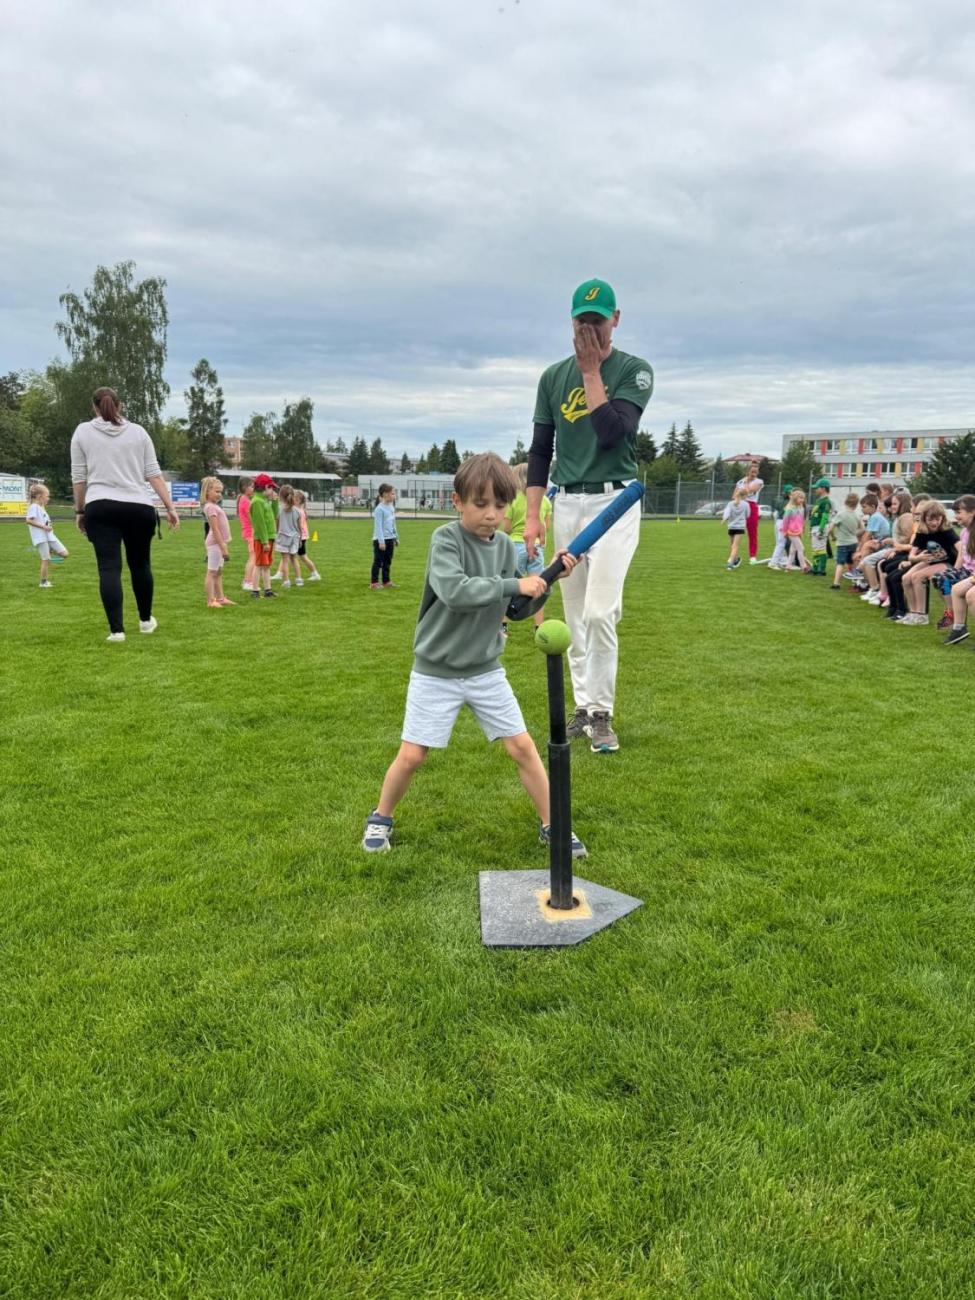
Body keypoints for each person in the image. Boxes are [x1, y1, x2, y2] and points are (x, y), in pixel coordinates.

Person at [361, 454, 584, 855]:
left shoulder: (502, 548)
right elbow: (456, 591)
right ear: (457, 501)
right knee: (412, 755)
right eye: (480, 504)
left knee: (522, 747)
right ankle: (380, 817)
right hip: (436, 671)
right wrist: (517, 584)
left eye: (500, 506)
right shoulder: (445, 540)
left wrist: (547, 581)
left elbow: (514, 609)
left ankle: (555, 824)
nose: (491, 515)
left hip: (484, 669)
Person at [522, 278, 654, 754]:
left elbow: (612, 435)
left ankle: (602, 713)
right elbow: (540, 450)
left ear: (616, 319)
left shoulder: (634, 370)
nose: (589, 328)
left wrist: (592, 372)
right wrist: (533, 515)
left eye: (598, 320)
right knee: (575, 613)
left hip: (613, 503)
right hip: (568, 502)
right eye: (582, 320)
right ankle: (582, 707)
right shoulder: (552, 377)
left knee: (601, 612)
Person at [70, 386, 179, 642]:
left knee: (109, 568)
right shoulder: (138, 432)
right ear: (119, 406)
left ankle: (117, 631)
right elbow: (153, 473)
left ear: (94, 408)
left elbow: (79, 478)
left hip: (100, 505)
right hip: (138, 506)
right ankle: (145, 621)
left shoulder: (82, 432)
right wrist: (170, 507)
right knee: (140, 565)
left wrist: (79, 510)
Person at [502, 462, 553, 627]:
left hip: (516, 547)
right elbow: (547, 526)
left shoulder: (513, 500)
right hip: (536, 548)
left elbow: (507, 528)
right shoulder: (544, 501)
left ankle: (503, 625)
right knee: (538, 587)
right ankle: (539, 627)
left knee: (510, 588)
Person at [899, 502, 958, 626]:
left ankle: (922, 615)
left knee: (918, 577)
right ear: (924, 518)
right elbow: (911, 556)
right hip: (930, 562)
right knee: (905, 578)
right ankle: (913, 612)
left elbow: (961, 549)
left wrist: (957, 569)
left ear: (943, 518)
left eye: (938, 519)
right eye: (930, 519)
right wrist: (919, 557)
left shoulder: (947, 531)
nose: (934, 523)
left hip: (947, 563)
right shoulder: (922, 533)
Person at [860, 490, 913, 605]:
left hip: (901, 551)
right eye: (891, 504)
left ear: (903, 504)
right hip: (895, 548)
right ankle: (881, 592)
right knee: (880, 563)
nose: (891, 507)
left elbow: (909, 540)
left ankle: (878, 591)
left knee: (873, 562)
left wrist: (893, 546)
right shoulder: (898, 517)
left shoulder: (906, 518)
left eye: (894, 504)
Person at [941, 496, 975, 643]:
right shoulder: (965, 532)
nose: (956, 516)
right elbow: (962, 555)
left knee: (971, 595)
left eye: (959, 512)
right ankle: (959, 629)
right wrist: (955, 571)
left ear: (972, 512)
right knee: (955, 589)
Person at [26, 482, 69, 587]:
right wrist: (44, 526)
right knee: (45, 560)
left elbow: (42, 520)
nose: (48, 498)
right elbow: (28, 520)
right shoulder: (34, 507)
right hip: (41, 538)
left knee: (65, 554)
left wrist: (48, 524)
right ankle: (43, 582)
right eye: (47, 496)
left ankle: (49, 551)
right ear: (40, 496)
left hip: (49, 536)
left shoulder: (41, 507)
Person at [201, 476, 234, 607]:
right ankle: (210, 600)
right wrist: (223, 547)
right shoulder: (210, 508)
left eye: (220, 492)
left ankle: (220, 598)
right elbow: (215, 529)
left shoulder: (214, 506)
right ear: (207, 492)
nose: (219, 494)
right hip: (215, 544)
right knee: (212, 571)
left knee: (218, 572)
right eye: (216, 491)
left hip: (219, 543)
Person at [249, 473, 278, 598]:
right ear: (265, 487)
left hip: (269, 537)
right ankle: (255, 590)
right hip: (262, 539)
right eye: (271, 488)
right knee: (259, 565)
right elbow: (259, 524)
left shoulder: (265, 501)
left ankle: (268, 590)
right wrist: (265, 541)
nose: (272, 491)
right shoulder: (257, 502)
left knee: (266, 565)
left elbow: (275, 515)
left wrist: (275, 502)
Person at [828, 493, 861, 588]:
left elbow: (830, 528)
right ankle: (855, 582)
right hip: (853, 542)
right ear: (856, 504)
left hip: (842, 543)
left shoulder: (841, 514)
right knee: (851, 563)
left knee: (840, 563)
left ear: (845, 501)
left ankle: (836, 583)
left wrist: (833, 536)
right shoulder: (857, 515)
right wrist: (854, 534)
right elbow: (862, 528)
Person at [734, 461, 765, 563]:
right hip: (741, 506)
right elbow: (734, 496)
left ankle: (752, 556)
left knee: (752, 532)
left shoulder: (759, 481)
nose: (754, 474)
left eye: (756, 472)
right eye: (752, 472)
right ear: (748, 471)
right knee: (736, 531)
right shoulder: (740, 482)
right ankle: (734, 555)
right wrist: (740, 493)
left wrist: (743, 489)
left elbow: (749, 491)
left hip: (752, 506)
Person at [371, 483, 399, 589]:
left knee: (388, 561)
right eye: (392, 494)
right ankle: (374, 582)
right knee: (378, 562)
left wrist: (396, 537)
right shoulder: (379, 509)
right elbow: (378, 527)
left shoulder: (391, 507)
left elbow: (393, 523)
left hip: (390, 539)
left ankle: (386, 581)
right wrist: (381, 541)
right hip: (380, 540)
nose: (394, 496)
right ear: (385, 494)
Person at [275, 484, 303, 587]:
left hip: (283, 537)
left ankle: (286, 581)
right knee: (294, 559)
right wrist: (300, 539)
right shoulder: (298, 511)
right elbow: (300, 527)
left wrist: (277, 534)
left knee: (285, 560)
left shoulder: (279, 509)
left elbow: (277, 526)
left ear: (281, 496)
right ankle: (299, 579)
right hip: (295, 537)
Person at [293, 490, 322, 582]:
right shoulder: (301, 511)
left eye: (293, 498)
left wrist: (300, 538)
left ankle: (314, 574)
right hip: (302, 536)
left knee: (301, 557)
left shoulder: (298, 511)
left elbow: (299, 526)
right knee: (300, 556)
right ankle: (314, 574)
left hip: (300, 537)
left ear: (297, 500)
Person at [808, 477, 833, 576]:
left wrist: (821, 528)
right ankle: (815, 568)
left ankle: (821, 570)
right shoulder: (819, 500)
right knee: (815, 548)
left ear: (823, 488)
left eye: (817, 488)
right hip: (814, 527)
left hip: (820, 527)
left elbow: (825, 516)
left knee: (821, 548)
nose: (816, 489)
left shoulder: (826, 501)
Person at [782, 490, 810, 571]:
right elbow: (785, 521)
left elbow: (801, 520)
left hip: (798, 531)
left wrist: (802, 529)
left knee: (793, 550)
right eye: (800, 498)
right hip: (791, 532)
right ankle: (803, 566)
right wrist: (784, 531)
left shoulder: (801, 508)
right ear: (795, 498)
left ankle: (788, 566)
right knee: (801, 548)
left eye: (803, 498)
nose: (802, 500)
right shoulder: (790, 509)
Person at [767, 482, 793, 570]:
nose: (791, 494)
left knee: (780, 543)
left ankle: (780, 561)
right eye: (790, 493)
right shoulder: (789, 502)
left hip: (778, 522)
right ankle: (773, 563)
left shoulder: (780, 501)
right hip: (783, 522)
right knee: (781, 543)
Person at [237, 477, 256, 591]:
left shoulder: (244, 499)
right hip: (251, 532)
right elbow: (252, 519)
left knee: (253, 557)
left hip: (248, 532)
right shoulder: (245, 501)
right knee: (253, 558)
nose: (254, 489)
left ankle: (248, 580)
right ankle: (248, 581)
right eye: (252, 486)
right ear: (245, 487)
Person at [722, 487, 748, 569]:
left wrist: (723, 520)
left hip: (731, 527)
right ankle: (730, 563)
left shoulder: (730, 503)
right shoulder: (746, 504)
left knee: (733, 545)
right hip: (740, 527)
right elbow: (748, 515)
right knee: (735, 546)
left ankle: (736, 559)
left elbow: (726, 514)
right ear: (744, 496)